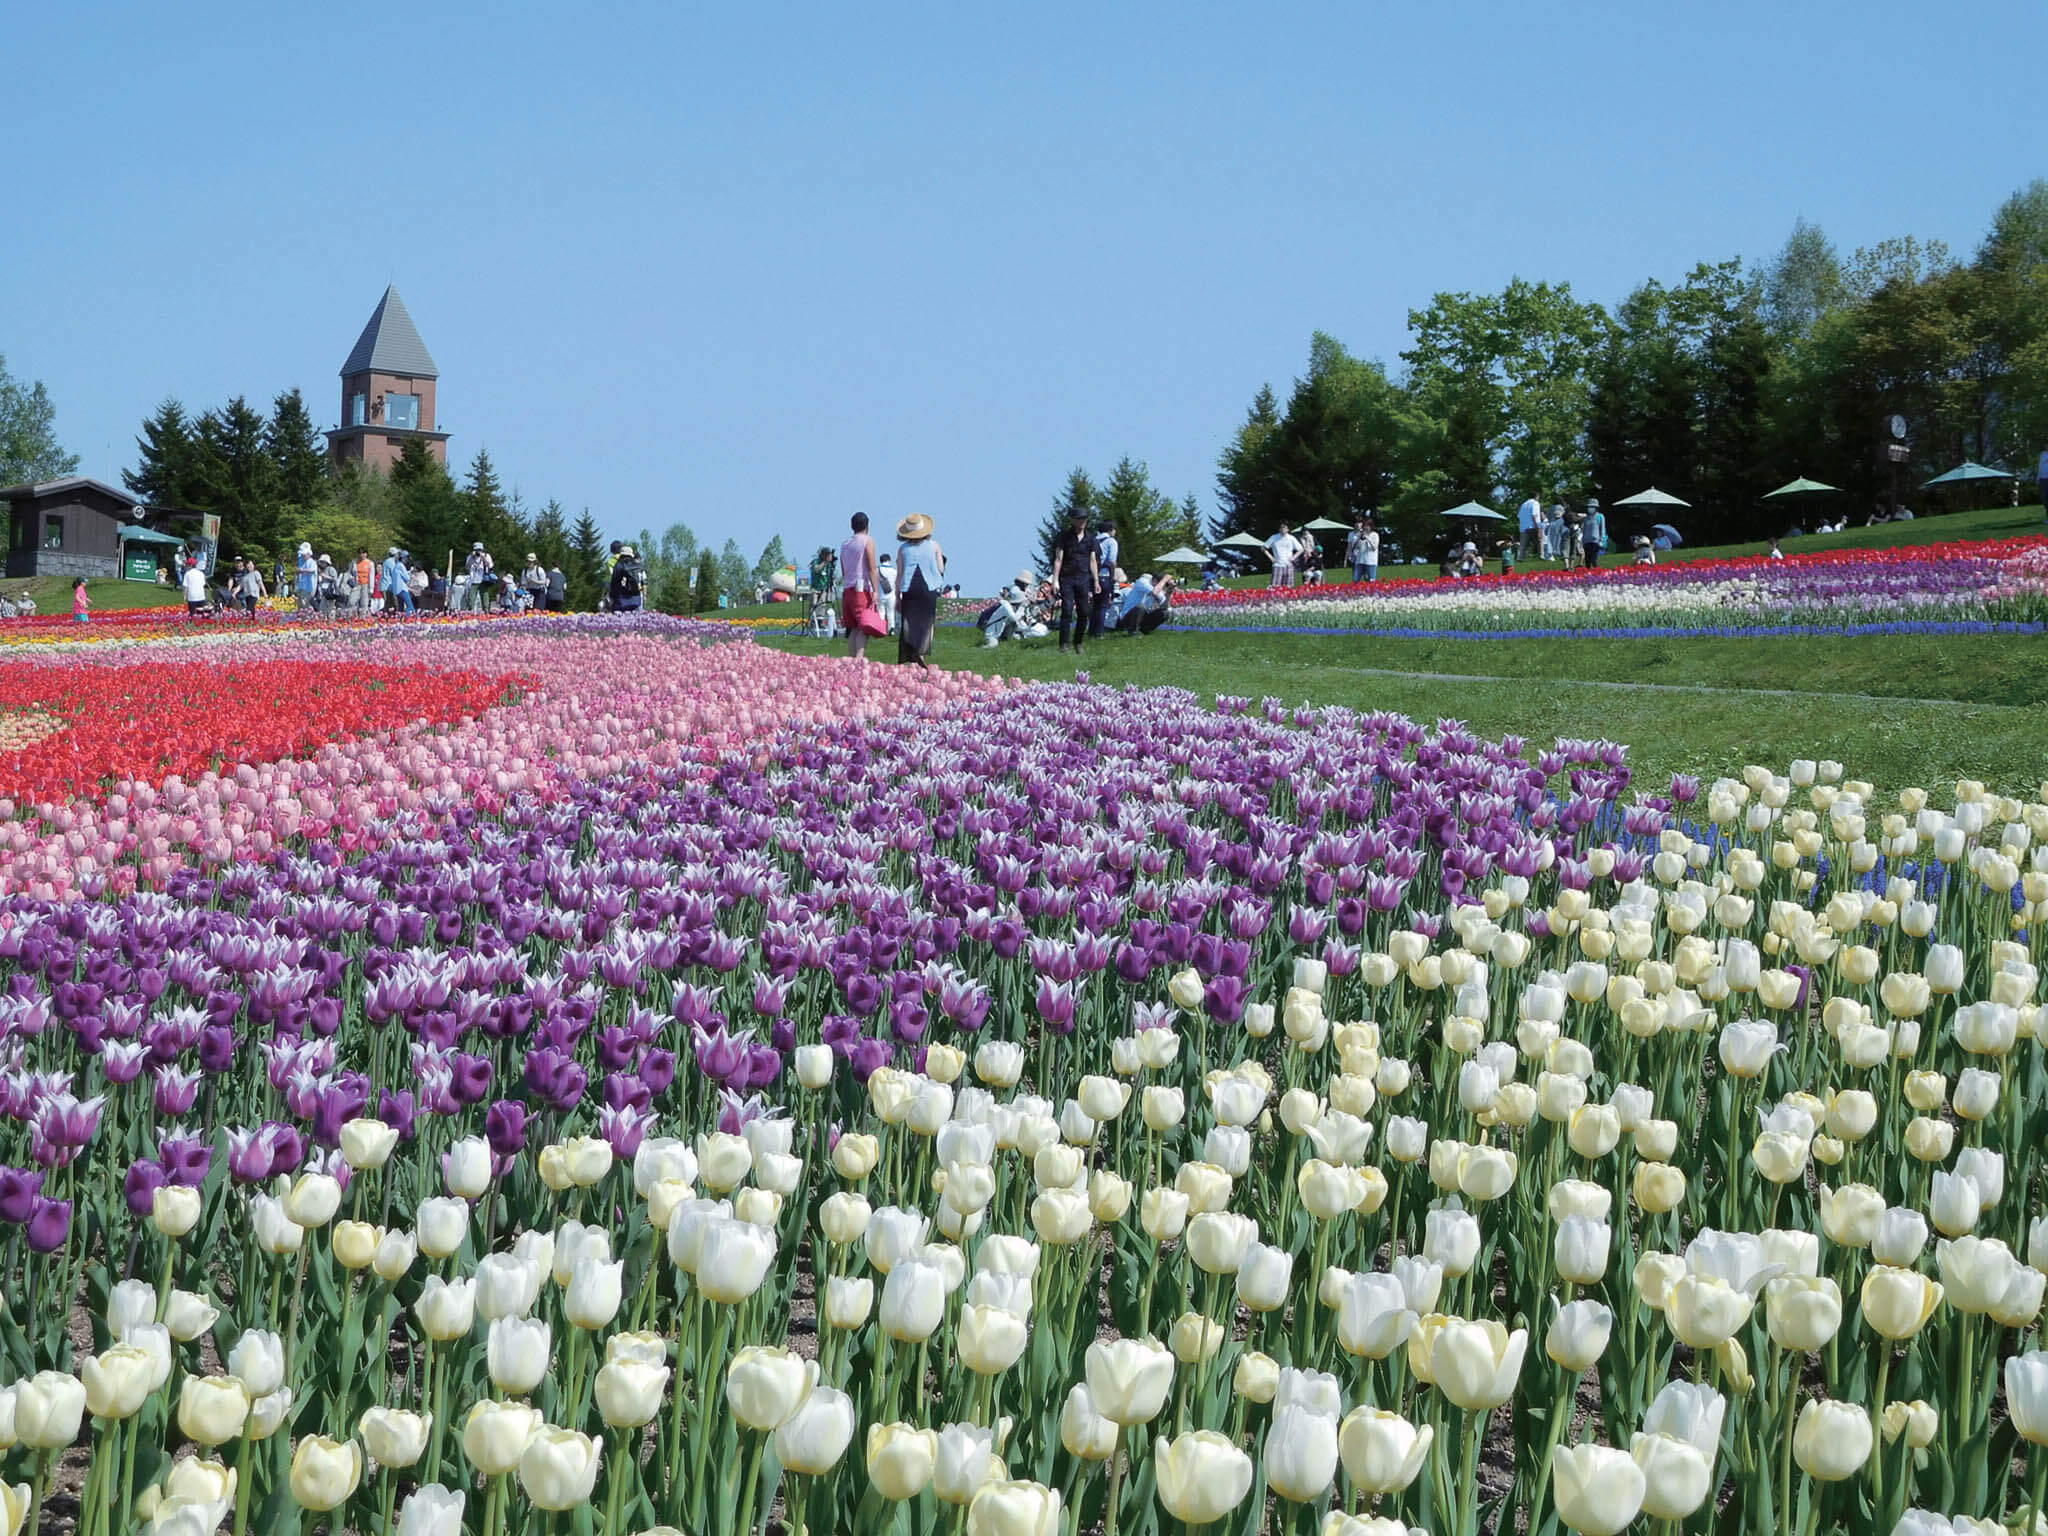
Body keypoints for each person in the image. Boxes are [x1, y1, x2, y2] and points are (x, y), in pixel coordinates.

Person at [895, 513, 945, 667]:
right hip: (928, 587)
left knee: (909, 622)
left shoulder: (903, 549)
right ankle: (921, 652)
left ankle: (911, 653)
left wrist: (897, 596)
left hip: (909, 587)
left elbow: (900, 573)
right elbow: (941, 568)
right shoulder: (935, 546)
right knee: (927, 621)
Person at [1048, 508, 1098, 655]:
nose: (1082, 522)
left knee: (1084, 611)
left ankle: (1078, 642)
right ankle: (1064, 643)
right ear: (1072, 520)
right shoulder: (1063, 537)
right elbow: (1058, 559)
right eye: (1079, 519)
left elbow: (1093, 561)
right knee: (1067, 610)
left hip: (1083, 578)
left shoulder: (1091, 539)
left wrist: (1095, 581)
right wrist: (1055, 581)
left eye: (1084, 519)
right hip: (1067, 578)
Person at [838, 512, 883, 659]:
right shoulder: (867, 541)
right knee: (864, 626)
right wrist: (876, 591)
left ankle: (851, 659)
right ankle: (859, 659)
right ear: (867, 525)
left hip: (848, 589)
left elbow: (844, 570)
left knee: (853, 629)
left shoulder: (845, 545)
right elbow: (871, 567)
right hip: (861, 589)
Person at [978, 570, 1036, 647]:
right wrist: (1023, 606)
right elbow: (1014, 618)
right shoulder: (1006, 604)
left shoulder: (1016, 592)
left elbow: (1019, 623)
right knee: (993, 645)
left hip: (1000, 632)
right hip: (992, 633)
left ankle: (1005, 639)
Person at [1266, 522, 1302, 589]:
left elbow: (1301, 549)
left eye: (1284, 527)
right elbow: (1263, 548)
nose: (1283, 529)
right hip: (1277, 565)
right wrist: (1271, 557)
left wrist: (1294, 557)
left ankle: (1286, 599)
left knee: (1288, 587)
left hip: (1289, 565)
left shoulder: (1291, 538)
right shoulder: (1274, 537)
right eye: (1281, 527)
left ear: (1287, 529)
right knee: (1275, 586)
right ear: (1279, 529)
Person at [609, 546, 645, 612]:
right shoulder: (638, 565)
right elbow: (643, 581)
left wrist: (612, 597)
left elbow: (614, 582)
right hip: (636, 599)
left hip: (621, 600)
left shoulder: (619, 565)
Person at [1345, 517, 1379, 583]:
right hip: (1360, 561)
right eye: (1364, 526)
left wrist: (1368, 538)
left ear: (1371, 526)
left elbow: (1374, 547)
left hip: (1371, 561)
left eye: (1367, 526)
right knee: (1355, 580)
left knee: (1371, 581)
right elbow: (1355, 547)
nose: (1366, 528)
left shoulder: (1375, 535)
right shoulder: (1359, 535)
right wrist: (1359, 539)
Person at [383, 548, 415, 614]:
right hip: (402, 589)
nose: (407, 560)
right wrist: (410, 572)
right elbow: (407, 578)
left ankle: (400, 620)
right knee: (410, 606)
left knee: (401, 607)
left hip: (397, 590)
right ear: (403, 558)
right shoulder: (401, 566)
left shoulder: (396, 566)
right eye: (407, 558)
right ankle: (409, 619)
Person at [875, 552, 898, 635]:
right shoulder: (894, 571)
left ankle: (881, 629)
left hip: (880, 595)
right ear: (889, 560)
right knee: (891, 612)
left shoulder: (877, 570)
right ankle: (891, 629)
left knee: (881, 612)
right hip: (891, 595)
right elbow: (896, 583)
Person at [1581, 499, 1607, 568]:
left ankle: (1597, 572)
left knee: (1594, 559)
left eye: (1592, 507)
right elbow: (1584, 529)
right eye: (1589, 507)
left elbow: (1602, 529)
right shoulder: (1586, 518)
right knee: (1587, 560)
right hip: (1587, 541)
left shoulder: (1600, 516)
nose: (1590, 509)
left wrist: (1601, 540)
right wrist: (1582, 540)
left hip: (1596, 541)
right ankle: (1587, 573)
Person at [1516, 494, 1541, 560]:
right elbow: (1534, 515)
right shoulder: (1535, 503)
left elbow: (1519, 516)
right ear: (1536, 496)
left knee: (1523, 545)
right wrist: (1537, 527)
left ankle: (1520, 558)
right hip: (1532, 526)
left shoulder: (1523, 504)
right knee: (1539, 542)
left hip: (1523, 527)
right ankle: (1540, 556)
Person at [351, 550, 375, 615]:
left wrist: (371, 588)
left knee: (364, 602)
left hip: (365, 584)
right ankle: (353, 615)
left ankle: (363, 616)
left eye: (364, 553)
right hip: (356, 584)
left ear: (366, 554)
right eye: (360, 553)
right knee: (353, 601)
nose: (362, 555)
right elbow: (351, 572)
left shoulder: (370, 563)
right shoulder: (354, 562)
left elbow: (372, 575)